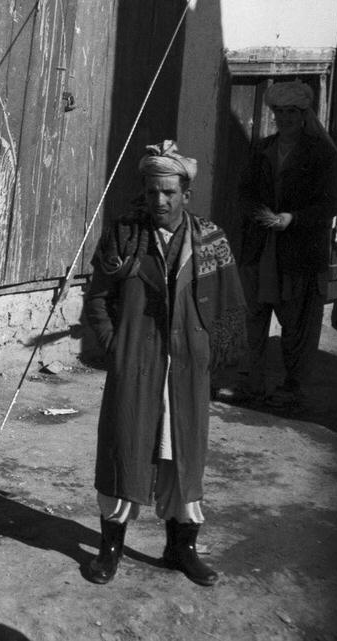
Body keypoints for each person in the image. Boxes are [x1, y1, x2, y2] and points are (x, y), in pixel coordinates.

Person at [81, 141, 245, 587]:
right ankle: (110, 548)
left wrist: (214, 355)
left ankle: (181, 548)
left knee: (183, 455)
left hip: (188, 366)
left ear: (186, 194)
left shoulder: (210, 239)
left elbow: (229, 303)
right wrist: (117, 345)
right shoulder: (125, 234)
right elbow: (97, 298)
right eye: (153, 191)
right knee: (125, 447)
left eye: (169, 193)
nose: (159, 201)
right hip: (135, 361)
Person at [227, 80, 337, 409]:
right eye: (279, 112)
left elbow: (329, 205)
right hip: (262, 247)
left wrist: (293, 219)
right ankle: (254, 383)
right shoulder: (263, 149)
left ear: (304, 114)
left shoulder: (321, 154)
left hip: (299, 253)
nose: (285, 118)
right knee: (255, 315)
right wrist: (257, 214)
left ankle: (293, 387)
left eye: (291, 112)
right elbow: (244, 192)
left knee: (296, 321)